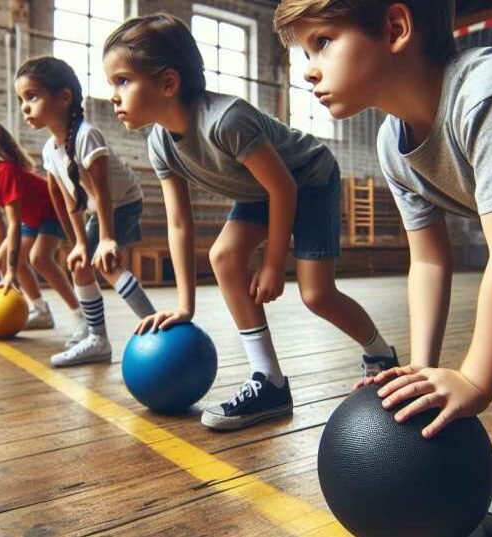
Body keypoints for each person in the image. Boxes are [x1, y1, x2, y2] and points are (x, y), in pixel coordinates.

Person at [273, 1, 492, 534]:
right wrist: (418, 371)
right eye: (303, 51)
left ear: (396, 28)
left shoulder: (489, 93)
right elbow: (428, 259)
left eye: (323, 42)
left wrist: (474, 379)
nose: (307, 68)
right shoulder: (390, 144)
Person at [102, 13, 396, 431]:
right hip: (262, 191)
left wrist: (274, 263)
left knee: (316, 294)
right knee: (224, 256)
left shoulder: (226, 120)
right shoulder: (159, 144)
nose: (112, 95)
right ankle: (270, 383)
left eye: (122, 81)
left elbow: (284, 189)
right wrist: (185, 305)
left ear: (168, 83)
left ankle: (380, 352)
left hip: (306, 179)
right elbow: (179, 223)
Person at [14, 55, 155, 366]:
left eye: (32, 97)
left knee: (105, 263)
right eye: (21, 99)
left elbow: (103, 192)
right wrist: (78, 242)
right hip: (97, 209)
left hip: (123, 202)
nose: (24, 106)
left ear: (64, 97)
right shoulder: (50, 150)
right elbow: (68, 200)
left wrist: (105, 239)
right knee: (80, 262)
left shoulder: (86, 135)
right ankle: (99, 337)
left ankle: (152, 327)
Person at [0, 119, 88, 344]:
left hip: (53, 209)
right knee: (1, 260)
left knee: (39, 258)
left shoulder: (5, 172)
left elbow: (12, 223)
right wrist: (5, 269)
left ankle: (82, 317)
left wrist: (12, 271)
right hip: (31, 218)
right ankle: (41, 312)